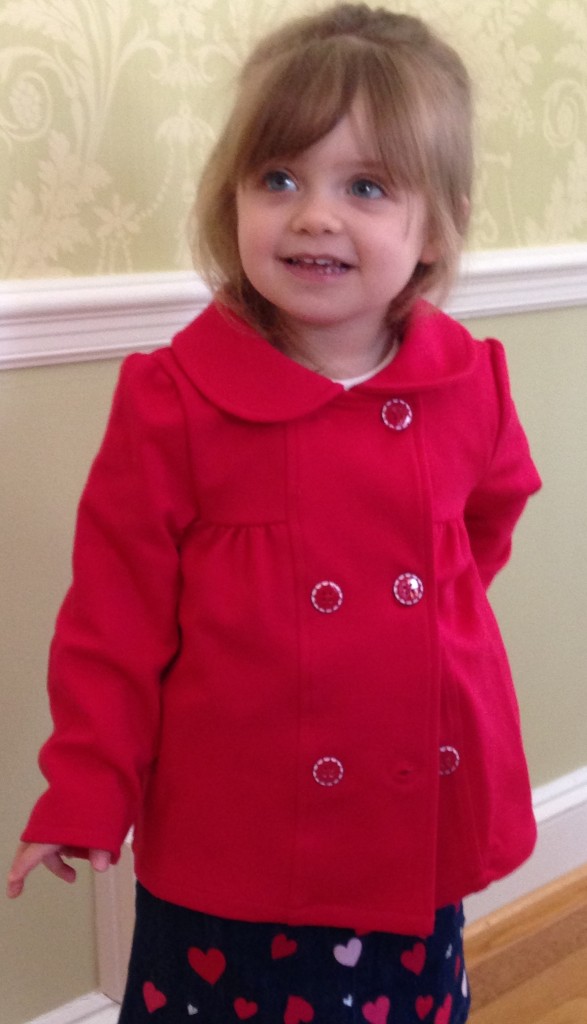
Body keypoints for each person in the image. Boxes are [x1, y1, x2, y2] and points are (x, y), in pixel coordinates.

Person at [7, 5, 542, 1022]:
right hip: (237, 838)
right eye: (278, 178)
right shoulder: (173, 399)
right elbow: (112, 622)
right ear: (233, 200)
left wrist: (408, 626)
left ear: (435, 227)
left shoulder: (469, 380)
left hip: (410, 809)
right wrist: (86, 785)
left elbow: (485, 523)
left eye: (365, 186)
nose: (312, 215)